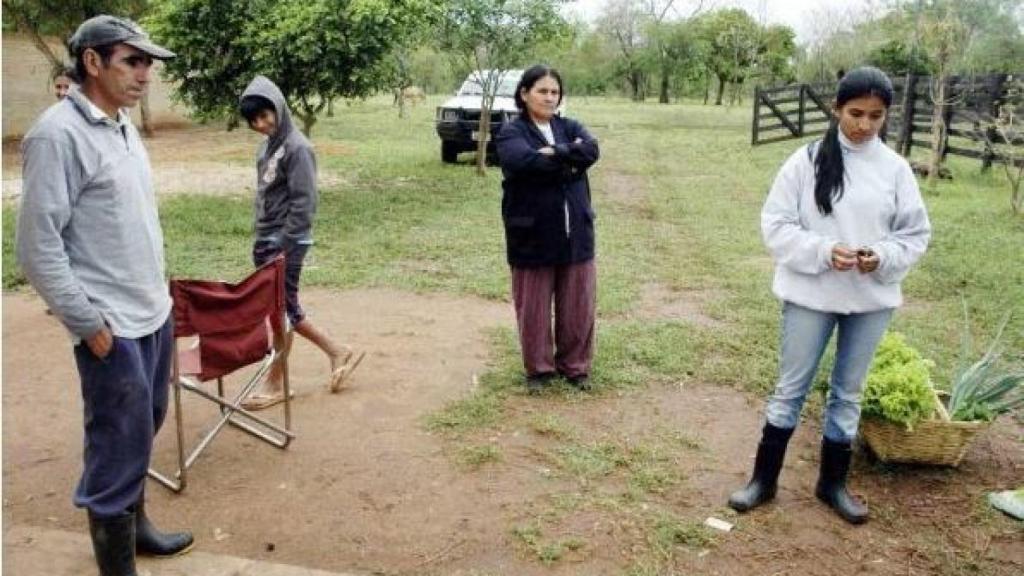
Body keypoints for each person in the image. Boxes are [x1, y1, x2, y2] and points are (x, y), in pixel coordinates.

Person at [15, 15, 193, 576]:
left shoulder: (120, 125)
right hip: (109, 326)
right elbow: (37, 248)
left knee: (145, 425)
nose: (146, 74)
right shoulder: (56, 135)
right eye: (132, 61)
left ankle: (136, 529)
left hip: (151, 313)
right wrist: (88, 325)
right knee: (117, 441)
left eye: (148, 64)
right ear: (92, 62)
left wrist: (160, 300)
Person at [727, 66, 931, 524]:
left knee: (848, 393)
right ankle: (763, 480)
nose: (864, 125)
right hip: (810, 296)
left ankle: (832, 483)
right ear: (836, 108)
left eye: (875, 116)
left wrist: (881, 255)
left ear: (886, 116)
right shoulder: (805, 161)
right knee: (790, 388)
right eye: (855, 113)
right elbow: (776, 225)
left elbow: (915, 234)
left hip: (869, 301)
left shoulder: (896, 170)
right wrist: (822, 250)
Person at [237, 75, 364, 410]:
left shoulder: (298, 147)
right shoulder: (268, 147)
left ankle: (279, 380)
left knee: (281, 309)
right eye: (254, 121)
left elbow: (304, 203)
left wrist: (285, 244)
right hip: (266, 238)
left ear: (278, 107)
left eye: (266, 116)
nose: (262, 125)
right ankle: (335, 352)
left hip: (285, 241)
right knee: (279, 308)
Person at [495, 65, 600, 394]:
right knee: (534, 306)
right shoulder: (512, 132)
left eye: (555, 92)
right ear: (524, 94)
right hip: (533, 233)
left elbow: (592, 150)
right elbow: (522, 162)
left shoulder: (569, 126)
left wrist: (556, 152)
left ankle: (575, 367)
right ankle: (539, 370)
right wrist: (570, 158)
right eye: (542, 91)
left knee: (578, 305)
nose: (549, 97)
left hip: (576, 232)